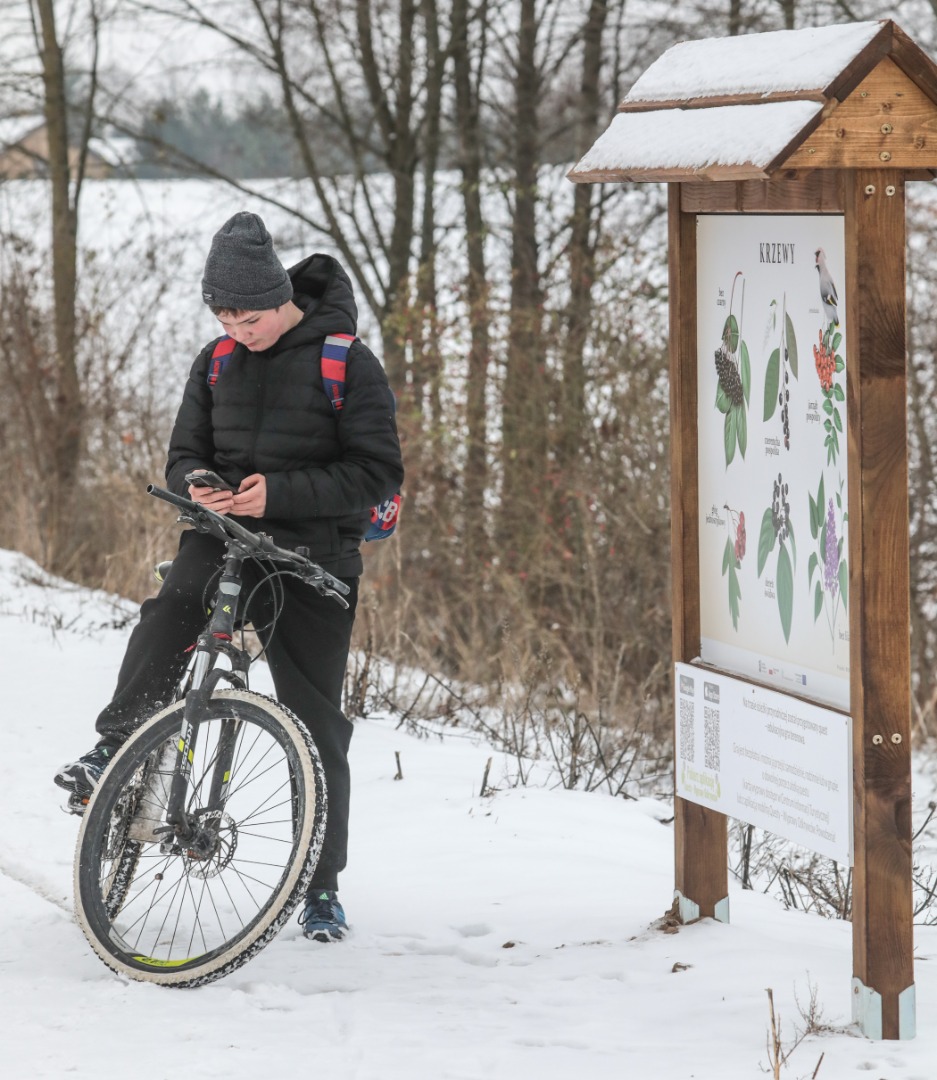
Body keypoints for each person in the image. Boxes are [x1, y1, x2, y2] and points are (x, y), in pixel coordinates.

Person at [54, 211, 404, 942]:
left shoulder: (345, 360)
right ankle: (112, 746)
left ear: (281, 297)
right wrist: (202, 482)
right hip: (224, 537)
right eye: (222, 313)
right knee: (172, 606)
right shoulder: (215, 361)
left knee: (315, 721)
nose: (236, 327)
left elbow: (376, 473)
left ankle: (321, 886)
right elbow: (184, 453)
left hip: (311, 558)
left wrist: (281, 494)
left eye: (246, 313)